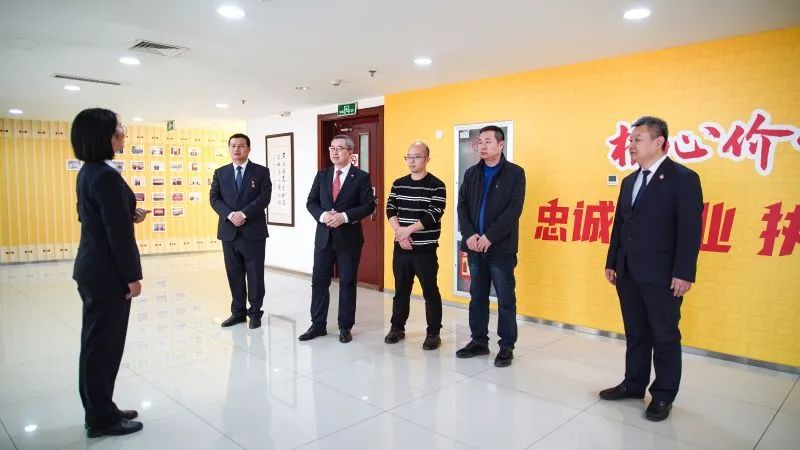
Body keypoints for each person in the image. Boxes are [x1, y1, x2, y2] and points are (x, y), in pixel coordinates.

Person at [601, 116, 703, 422]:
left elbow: (690, 230)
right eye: (630, 140)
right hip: (628, 271)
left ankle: (663, 395)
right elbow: (620, 226)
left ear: (659, 142)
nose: (631, 145)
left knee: (664, 335)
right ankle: (633, 384)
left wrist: (684, 272)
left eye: (637, 139)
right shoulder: (629, 181)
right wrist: (612, 261)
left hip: (663, 274)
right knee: (636, 332)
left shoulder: (683, 178)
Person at [72, 108, 149, 437]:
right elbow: (116, 235)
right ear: (104, 135)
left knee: (97, 343)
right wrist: (132, 276)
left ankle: (102, 406)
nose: (123, 132)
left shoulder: (90, 172)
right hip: (107, 273)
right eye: (119, 127)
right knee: (102, 346)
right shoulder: (104, 175)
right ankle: (101, 418)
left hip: (93, 268)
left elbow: (92, 217)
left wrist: (128, 212)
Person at [455, 125, 525, 367]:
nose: (482, 146)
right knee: (477, 296)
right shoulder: (471, 173)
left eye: (488, 141)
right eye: (480, 142)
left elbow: (513, 210)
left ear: (500, 144)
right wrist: (470, 235)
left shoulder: (515, 173)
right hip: (475, 247)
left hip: (501, 249)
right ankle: (478, 341)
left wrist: (490, 237)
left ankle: (506, 346)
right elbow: (462, 205)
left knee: (505, 298)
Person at [301, 134, 375, 343]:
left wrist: (344, 217)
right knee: (319, 281)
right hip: (324, 237)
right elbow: (311, 202)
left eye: (339, 148)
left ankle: (345, 327)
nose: (334, 152)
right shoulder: (322, 175)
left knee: (347, 282)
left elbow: (368, 205)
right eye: (331, 148)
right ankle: (318, 324)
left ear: (350, 152)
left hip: (349, 239)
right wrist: (323, 215)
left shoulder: (361, 177)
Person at [384, 141, 446, 350]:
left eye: (416, 157)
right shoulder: (398, 183)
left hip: (425, 249)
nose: (411, 161)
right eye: (408, 157)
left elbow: (433, 215)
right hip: (401, 247)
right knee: (401, 290)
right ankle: (397, 328)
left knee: (430, 291)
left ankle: (433, 333)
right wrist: (400, 233)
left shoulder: (437, 185)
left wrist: (407, 231)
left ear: (427, 159)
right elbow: (390, 209)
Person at [210, 133, 272, 329]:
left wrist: (243, 214)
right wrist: (230, 215)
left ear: (248, 149)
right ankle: (238, 312)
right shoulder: (220, 173)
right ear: (229, 148)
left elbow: (264, 198)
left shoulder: (261, 172)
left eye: (241, 145)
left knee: (255, 274)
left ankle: (255, 313)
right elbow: (214, 199)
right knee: (234, 273)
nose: (236, 149)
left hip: (253, 231)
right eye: (233, 146)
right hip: (229, 232)